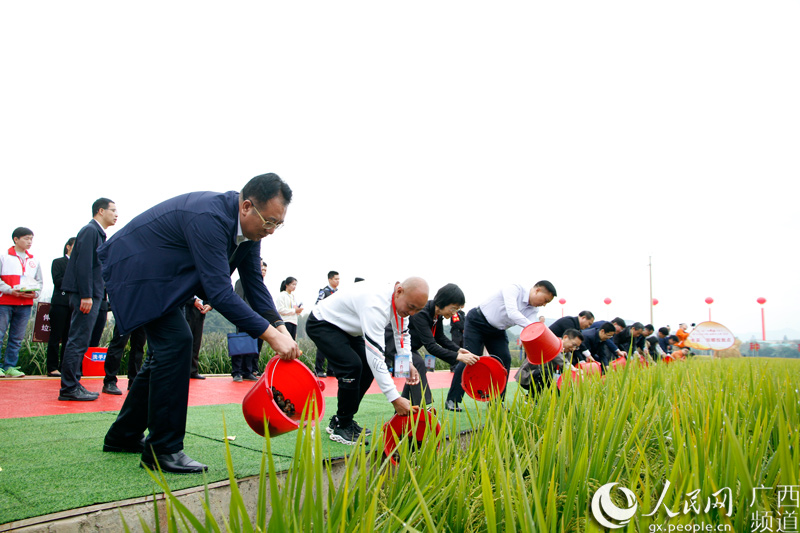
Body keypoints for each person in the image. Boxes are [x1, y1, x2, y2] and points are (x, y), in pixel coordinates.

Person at [100, 173, 299, 474]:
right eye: (269, 221)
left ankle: (123, 435)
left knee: (165, 353)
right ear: (246, 207)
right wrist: (271, 336)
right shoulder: (210, 217)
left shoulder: (250, 234)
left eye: (278, 224)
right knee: (178, 342)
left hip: (166, 279)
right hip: (137, 271)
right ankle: (163, 449)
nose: (271, 230)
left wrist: (281, 327)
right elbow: (219, 291)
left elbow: (254, 285)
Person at [305, 278, 427, 445]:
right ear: (399, 291)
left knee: (367, 369)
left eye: (417, 310)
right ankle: (342, 424)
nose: (412, 313)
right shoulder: (376, 304)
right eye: (411, 307)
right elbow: (376, 355)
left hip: (349, 329)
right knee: (352, 367)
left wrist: (408, 364)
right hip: (323, 323)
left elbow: (402, 334)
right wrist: (395, 398)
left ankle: (343, 419)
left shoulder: (402, 303)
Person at [445, 280, 557, 412]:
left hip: (497, 330)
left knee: (504, 359)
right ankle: (452, 400)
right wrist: (535, 327)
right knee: (470, 357)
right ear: (537, 290)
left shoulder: (533, 310)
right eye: (545, 300)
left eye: (546, 303)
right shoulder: (514, 288)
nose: (543, 305)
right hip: (477, 322)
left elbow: (532, 329)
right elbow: (512, 313)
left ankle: (497, 402)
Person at [59, 199, 118, 400]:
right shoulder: (90, 231)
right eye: (113, 210)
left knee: (82, 340)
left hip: (93, 294)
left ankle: (74, 383)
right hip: (86, 295)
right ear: (100, 211)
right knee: (77, 340)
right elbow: (83, 265)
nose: (116, 214)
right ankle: (68, 388)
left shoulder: (98, 233)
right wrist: (86, 294)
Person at [384, 283, 480, 407]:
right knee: (418, 364)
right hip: (393, 343)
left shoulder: (436, 316)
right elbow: (431, 346)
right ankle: (422, 408)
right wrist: (457, 356)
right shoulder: (422, 312)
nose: (454, 313)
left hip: (409, 347)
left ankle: (404, 411)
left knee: (416, 367)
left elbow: (440, 337)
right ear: (444, 301)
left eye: (457, 310)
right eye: (453, 308)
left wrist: (459, 349)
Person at [0, 227, 43, 378]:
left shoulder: (34, 260)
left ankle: (10, 366)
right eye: (26, 238)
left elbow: (39, 282)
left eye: (31, 239)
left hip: (25, 305)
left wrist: (35, 293)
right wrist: (9, 290)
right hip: (5, 302)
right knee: (0, 334)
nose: (29, 242)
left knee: (17, 337)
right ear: (16, 239)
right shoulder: (4, 257)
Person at [517, 328, 584, 394]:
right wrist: (572, 368)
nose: (574, 348)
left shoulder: (568, 354)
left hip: (549, 378)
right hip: (528, 376)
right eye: (573, 345)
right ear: (565, 337)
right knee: (545, 373)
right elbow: (558, 357)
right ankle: (532, 396)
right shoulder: (551, 343)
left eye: (576, 347)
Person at [45, 237, 75, 377]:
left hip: (74, 305)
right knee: (56, 336)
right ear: (68, 247)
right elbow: (58, 281)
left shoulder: (81, 265)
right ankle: (52, 367)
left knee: (69, 337)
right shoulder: (58, 262)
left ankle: (65, 366)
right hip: (60, 303)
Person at [234, 260, 267, 375]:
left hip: (255, 318)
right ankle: (237, 372)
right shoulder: (241, 281)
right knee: (240, 344)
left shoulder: (257, 284)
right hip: (243, 317)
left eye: (262, 266)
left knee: (252, 345)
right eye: (260, 265)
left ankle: (247, 371)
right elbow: (237, 299)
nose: (261, 268)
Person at [103, 320, 147, 393]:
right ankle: (109, 381)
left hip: (143, 314)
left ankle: (134, 382)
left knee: (138, 346)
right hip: (126, 313)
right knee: (119, 344)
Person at [313, 270, 340, 377]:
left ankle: (331, 369)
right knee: (322, 347)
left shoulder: (339, 292)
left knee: (334, 347)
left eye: (339, 279)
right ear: (330, 279)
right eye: (336, 279)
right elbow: (317, 305)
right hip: (324, 322)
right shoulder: (324, 292)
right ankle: (318, 370)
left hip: (335, 323)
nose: (338, 281)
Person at [184, 297, 210, 380]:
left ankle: (193, 371)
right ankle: (182, 371)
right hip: (186, 311)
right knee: (185, 343)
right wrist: (192, 301)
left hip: (200, 312)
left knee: (196, 343)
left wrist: (209, 305)